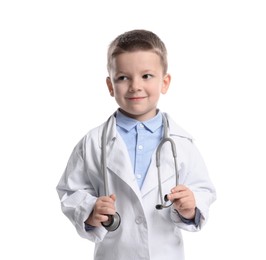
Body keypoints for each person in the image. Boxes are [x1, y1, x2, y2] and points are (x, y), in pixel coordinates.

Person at [56, 29, 216, 260]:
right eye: (123, 77)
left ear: (165, 82)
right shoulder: (92, 142)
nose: (135, 86)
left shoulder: (182, 143)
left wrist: (191, 207)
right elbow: (70, 191)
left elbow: (203, 190)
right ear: (110, 86)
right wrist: (90, 210)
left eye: (146, 76)